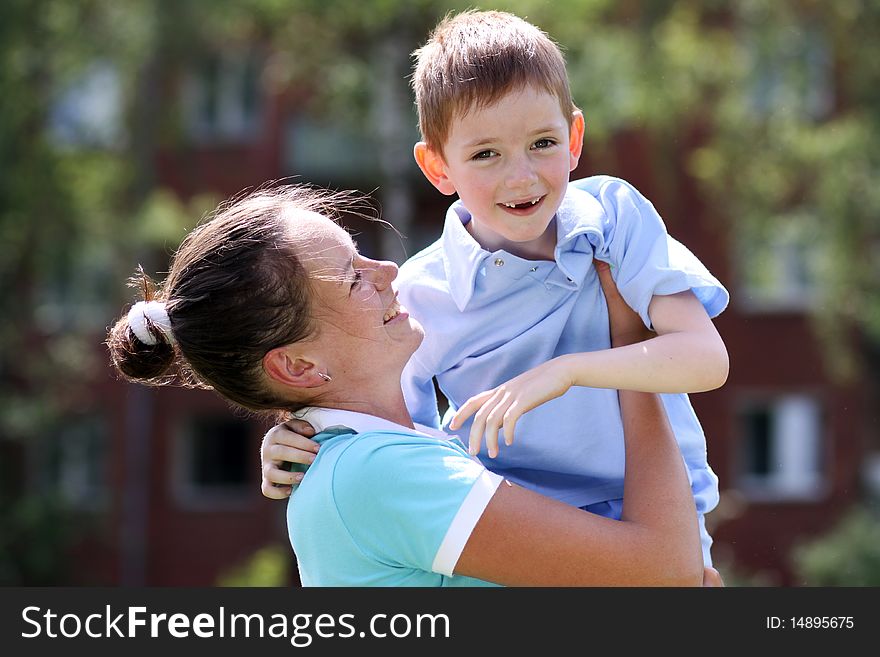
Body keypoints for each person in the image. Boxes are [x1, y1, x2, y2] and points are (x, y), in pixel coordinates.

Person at [260, 10, 729, 568]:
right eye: (486, 154)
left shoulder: (614, 216)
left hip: (668, 521)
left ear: (575, 137)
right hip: (534, 544)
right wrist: (298, 440)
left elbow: (705, 360)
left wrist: (567, 370)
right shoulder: (416, 297)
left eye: (542, 143)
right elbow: (394, 439)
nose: (522, 177)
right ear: (437, 167)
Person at [107, 185, 705, 586]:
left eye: (362, 256)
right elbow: (667, 568)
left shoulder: (386, 458)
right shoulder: (380, 474)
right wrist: (626, 346)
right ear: (297, 368)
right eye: (352, 279)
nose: (390, 271)